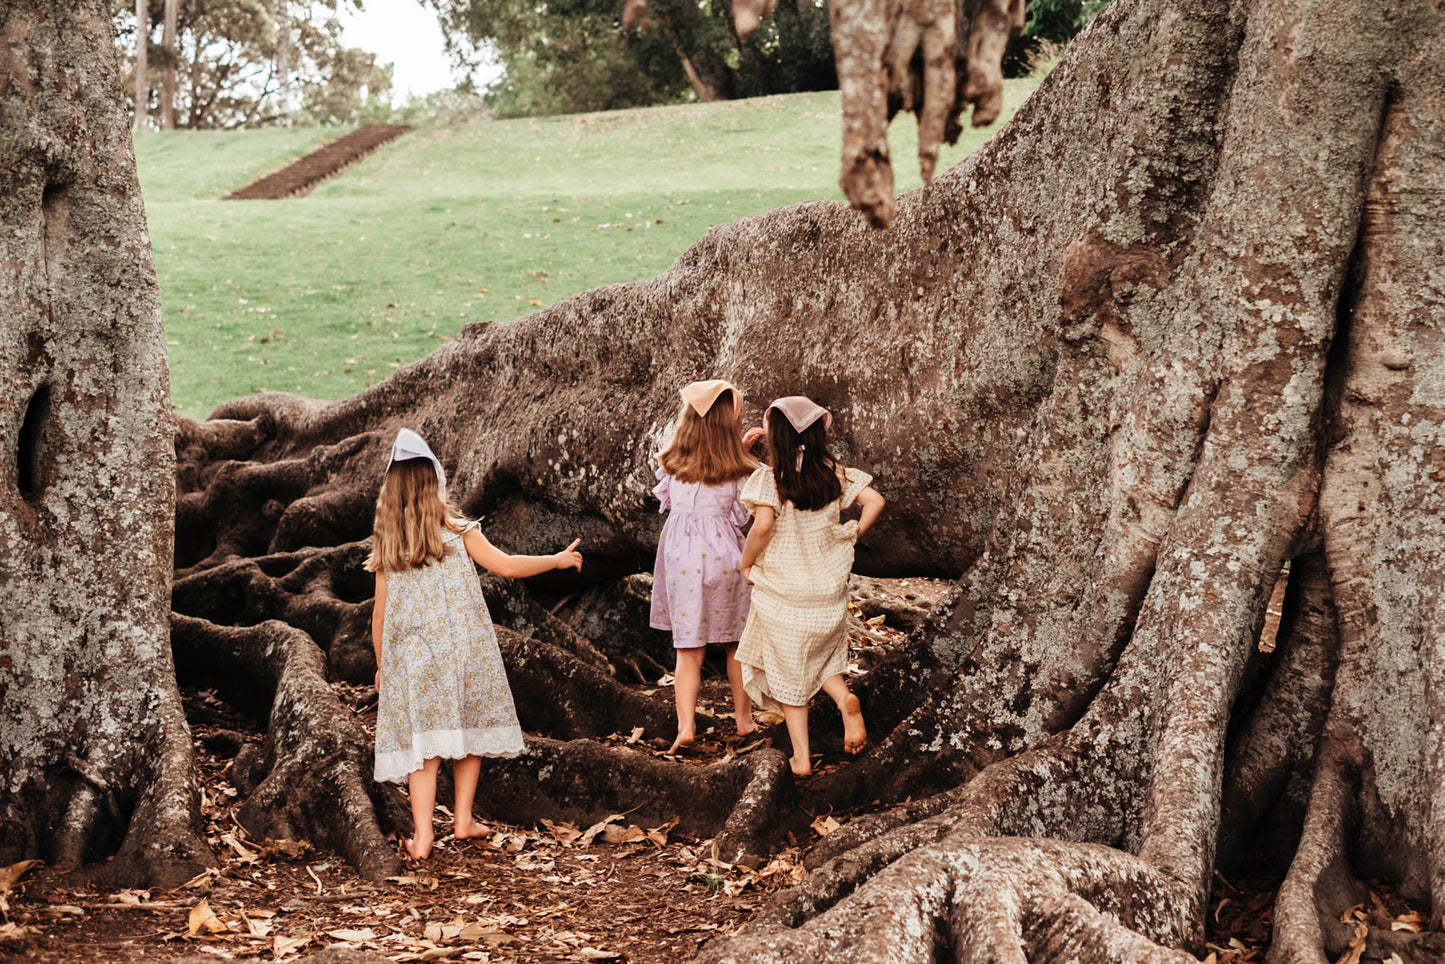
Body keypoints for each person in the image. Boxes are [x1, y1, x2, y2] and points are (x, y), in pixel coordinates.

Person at [368, 428, 582, 860]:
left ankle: (424, 836)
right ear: (435, 481)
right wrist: (556, 560)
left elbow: (380, 614)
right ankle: (463, 818)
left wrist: (381, 665)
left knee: (424, 749)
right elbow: (506, 566)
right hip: (463, 651)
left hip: (415, 658)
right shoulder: (457, 529)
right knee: (466, 731)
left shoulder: (390, 544)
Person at [736, 397, 885, 777]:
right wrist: (851, 534)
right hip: (827, 590)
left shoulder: (770, 479)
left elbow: (764, 526)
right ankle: (844, 700)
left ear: (777, 436)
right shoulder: (833, 472)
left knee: (790, 674)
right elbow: (875, 501)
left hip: (785, 591)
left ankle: (800, 759)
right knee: (821, 659)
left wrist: (746, 561)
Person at [651, 379, 758, 754]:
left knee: (688, 651)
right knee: (736, 646)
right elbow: (741, 517)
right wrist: (743, 453)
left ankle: (685, 726)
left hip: (681, 563)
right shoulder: (740, 471)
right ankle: (744, 720)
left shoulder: (671, 465)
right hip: (726, 561)